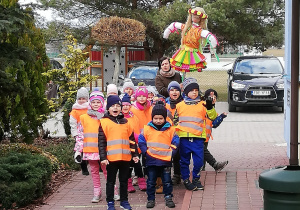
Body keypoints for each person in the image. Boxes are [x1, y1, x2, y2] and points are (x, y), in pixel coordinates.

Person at [173, 78, 217, 191]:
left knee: (198, 162)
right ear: (186, 92)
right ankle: (186, 180)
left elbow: (213, 117)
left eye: (196, 90)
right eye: (191, 90)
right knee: (184, 161)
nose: (194, 92)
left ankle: (196, 178)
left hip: (198, 139)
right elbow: (175, 121)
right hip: (184, 139)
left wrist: (210, 107)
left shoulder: (203, 104)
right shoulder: (180, 105)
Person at [98, 95, 139, 210]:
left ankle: (124, 201)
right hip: (111, 159)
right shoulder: (104, 122)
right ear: (108, 108)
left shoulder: (126, 122)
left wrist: (135, 154)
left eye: (118, 106)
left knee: (124, 181)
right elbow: (101, 142)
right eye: (112, 106)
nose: (115, 108)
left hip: (125, 158)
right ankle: (110, 202)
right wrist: (103, 157)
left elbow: (132, 140)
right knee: (110, 182)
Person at [138, 101, 179, 208]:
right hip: (151, 160)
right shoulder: (147, 129)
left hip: (165, 160)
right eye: (156, 118)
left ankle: (168, 197)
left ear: (165, 118)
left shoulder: (171, 129)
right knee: (151, 182)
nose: (158, 121)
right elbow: (141, 141)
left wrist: (172, 153)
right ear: (152, 118)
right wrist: (145, 152)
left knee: (167, 181)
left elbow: (176, 142)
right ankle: (151, 199)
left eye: (161, 118)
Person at [73, 89, 108, 203]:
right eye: (93, 102)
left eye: (98, 102)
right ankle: (97, 191)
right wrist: (78, 151)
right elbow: (80, 135)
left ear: (102, 103)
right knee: (94, 171)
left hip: (104, 151)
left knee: (107, 171)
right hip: (90, 150)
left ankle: (112, 190)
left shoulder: (106, 117)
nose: (96, 104)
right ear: (90, 103)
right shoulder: (84, 117)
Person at [163, 7, 218, 72]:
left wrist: (213, 47)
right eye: (193, 16)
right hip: (183, 50)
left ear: (200, 19)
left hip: (193, 52)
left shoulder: (199, 31)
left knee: (186, 67)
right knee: (181, 67)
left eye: (197, 17)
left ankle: (184, 78)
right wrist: (166, 34)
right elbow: (174, 25)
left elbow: (210, 37)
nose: (194, 18)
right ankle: (182, 78)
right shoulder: (186, 27)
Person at [121, 93, 147, 192]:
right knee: (127, 166)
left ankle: (141, 181)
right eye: (123, 105)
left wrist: (140, 139)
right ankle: (128, 183)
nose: (126, 107)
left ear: (130, 106)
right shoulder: (119, 118)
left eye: (127, 105)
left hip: (134, 145)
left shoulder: (134, 117)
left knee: (137, 164)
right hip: (123, 146)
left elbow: (136, 131)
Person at [202, 88, 228, 172]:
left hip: (206, 135)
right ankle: (213, 165)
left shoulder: (212, 109)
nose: (213, 99)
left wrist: (221, 117)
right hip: (198, 134)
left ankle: (202, 168)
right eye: (210, 97)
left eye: (214, 97)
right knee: (202, 151)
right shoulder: (203, 106)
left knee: (203, 152)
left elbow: (214, 124)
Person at [165, 81, 183, 185]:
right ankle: (167, 176)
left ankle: (177, 175)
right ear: (168, 92)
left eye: (177, 90)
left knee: (177, 156)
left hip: (179, 133)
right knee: (168, 155)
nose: (174, 92)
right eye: (172, 90)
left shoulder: (183, 103)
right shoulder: (165, 104)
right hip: (167, 133)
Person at [70, 87, 90, 175]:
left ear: (87, 99)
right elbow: (73, 124)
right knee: (80, 151)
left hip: (90, 133)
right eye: (80, 99)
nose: (81, 101)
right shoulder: (75, 111)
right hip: (80, 134)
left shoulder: (90, 109)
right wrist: (75, 134)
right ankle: (84, 167)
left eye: (83, 99)